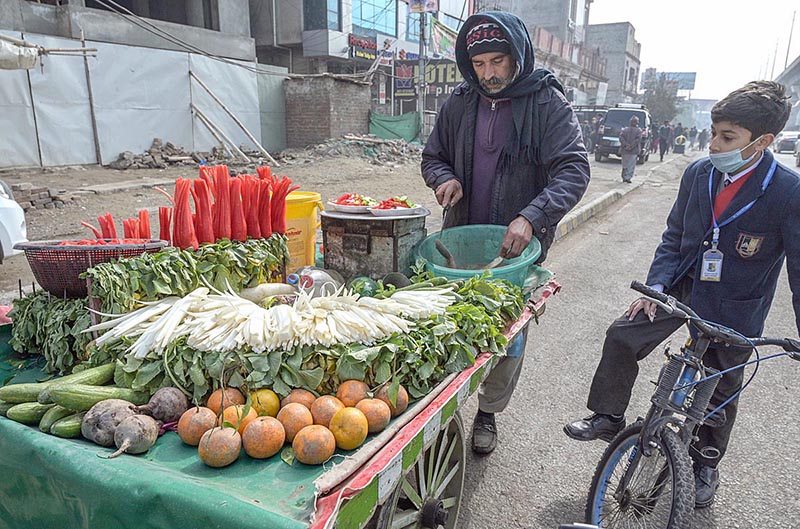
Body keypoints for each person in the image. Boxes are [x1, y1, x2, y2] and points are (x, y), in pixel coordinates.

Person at [564, 80, 799, 508]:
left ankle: (705, 464)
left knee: (721, 388)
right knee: (623, 334)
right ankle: (608, 415)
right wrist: (656, 288)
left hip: (736, 307)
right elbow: (675, 237)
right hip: (684, 287)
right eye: (713, 133)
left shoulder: (788, 191)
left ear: (763, 141)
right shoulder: (697, 174)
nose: (714, 144)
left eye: (727, 137)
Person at [422, 11, 590, 455]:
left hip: (513, 254)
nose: (489, 74)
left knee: (506, 335)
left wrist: (533, 215)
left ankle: (488, 413)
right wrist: (443, 179)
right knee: (449, 330)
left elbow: (573, 170)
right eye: (479, 64)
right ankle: (441, 411)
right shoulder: (459, 102)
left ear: (517, 56)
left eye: (497, 61)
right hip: (458, 245)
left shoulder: (547, 104)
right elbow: (432, 156)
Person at [618, 115, 642, 183]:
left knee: (625, 164)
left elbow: (621, 138)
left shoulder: (625, 130)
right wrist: (631, 146)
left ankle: (624, 177)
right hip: (633, 151)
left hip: (624, 150)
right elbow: (638, 140)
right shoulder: (639, 130)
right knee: (630, 165)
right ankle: (627, 178)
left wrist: (626, 145)